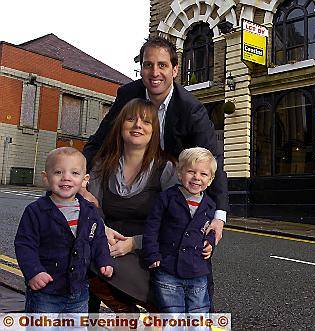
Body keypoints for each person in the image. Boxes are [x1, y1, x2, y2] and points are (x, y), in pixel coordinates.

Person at [83, 36, 228, 244]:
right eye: (148, 65)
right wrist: (78, 180)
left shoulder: (191, 109)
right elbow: (98, 142)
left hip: (172, 184)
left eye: (162, 65)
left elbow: (212, 159)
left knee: (188, 250)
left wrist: (219, 216)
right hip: (128, 182)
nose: (155, 73)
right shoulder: (128, 94)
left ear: (175, 70)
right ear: (141, 68)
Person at [85, 98, 209, 313]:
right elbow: (92, 209)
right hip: (109, 243)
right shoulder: (102, 164)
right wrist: (102, 231)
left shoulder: (167, 168)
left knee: (165, 296)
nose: (137, 125)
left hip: (149, 248)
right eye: (131, 119)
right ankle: (126, 312)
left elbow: (177, 224)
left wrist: (134, 243)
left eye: (146, 122)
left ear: (155, 130)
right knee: (80, 253)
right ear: (120, 125)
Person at [14, 147, 113, 313]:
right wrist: (33, 272)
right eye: (58, 172)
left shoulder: (89, 211)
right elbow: (25, 245)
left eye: (74, 173)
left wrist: (104, 260)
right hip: (46, 293)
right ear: (46, 177)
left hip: (79, 292)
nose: (66, 177)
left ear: (84, 180)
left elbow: (99, 239)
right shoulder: (35, 211)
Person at [143, 147, 217, 313]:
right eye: (191, 171)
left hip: (197, 271)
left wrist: (211, 243)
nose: (197, 177)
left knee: (199, 315)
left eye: (203, 174)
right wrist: (152, 253)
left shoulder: (210, 205)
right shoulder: (167, 198)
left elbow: (210, 230)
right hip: (167, 270)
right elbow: (152, 227)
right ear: (179, 173)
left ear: (210, 180)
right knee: (172, 316)